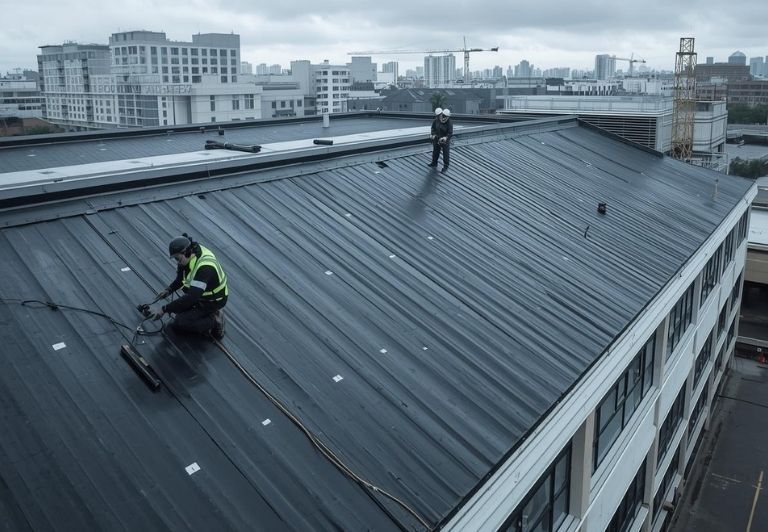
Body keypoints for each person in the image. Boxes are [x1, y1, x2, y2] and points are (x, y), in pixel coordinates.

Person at [151, 234, 228, 340]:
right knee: (178, 312)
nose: (177, 262)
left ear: (187, 252)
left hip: (213, 301)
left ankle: (215, 319)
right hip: (200, 296)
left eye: (178, 258)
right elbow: (180, 279)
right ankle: (206, 315)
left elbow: (191, 298)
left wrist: (164, 309)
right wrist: (169, 290)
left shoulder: (205, 268)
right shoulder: (188, 256)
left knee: (181, 323)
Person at [428, 108, 453, 173]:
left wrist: (446, 138)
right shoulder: (436, 120)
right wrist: (433, 134)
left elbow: (450, 132)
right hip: (437, 138)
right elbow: (433, 128)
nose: (442, 117)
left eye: (445, 116)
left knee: (446, 153)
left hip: (444, 141)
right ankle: (434, 163)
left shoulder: (449, 122)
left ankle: (445, 166)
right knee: (435, 151)